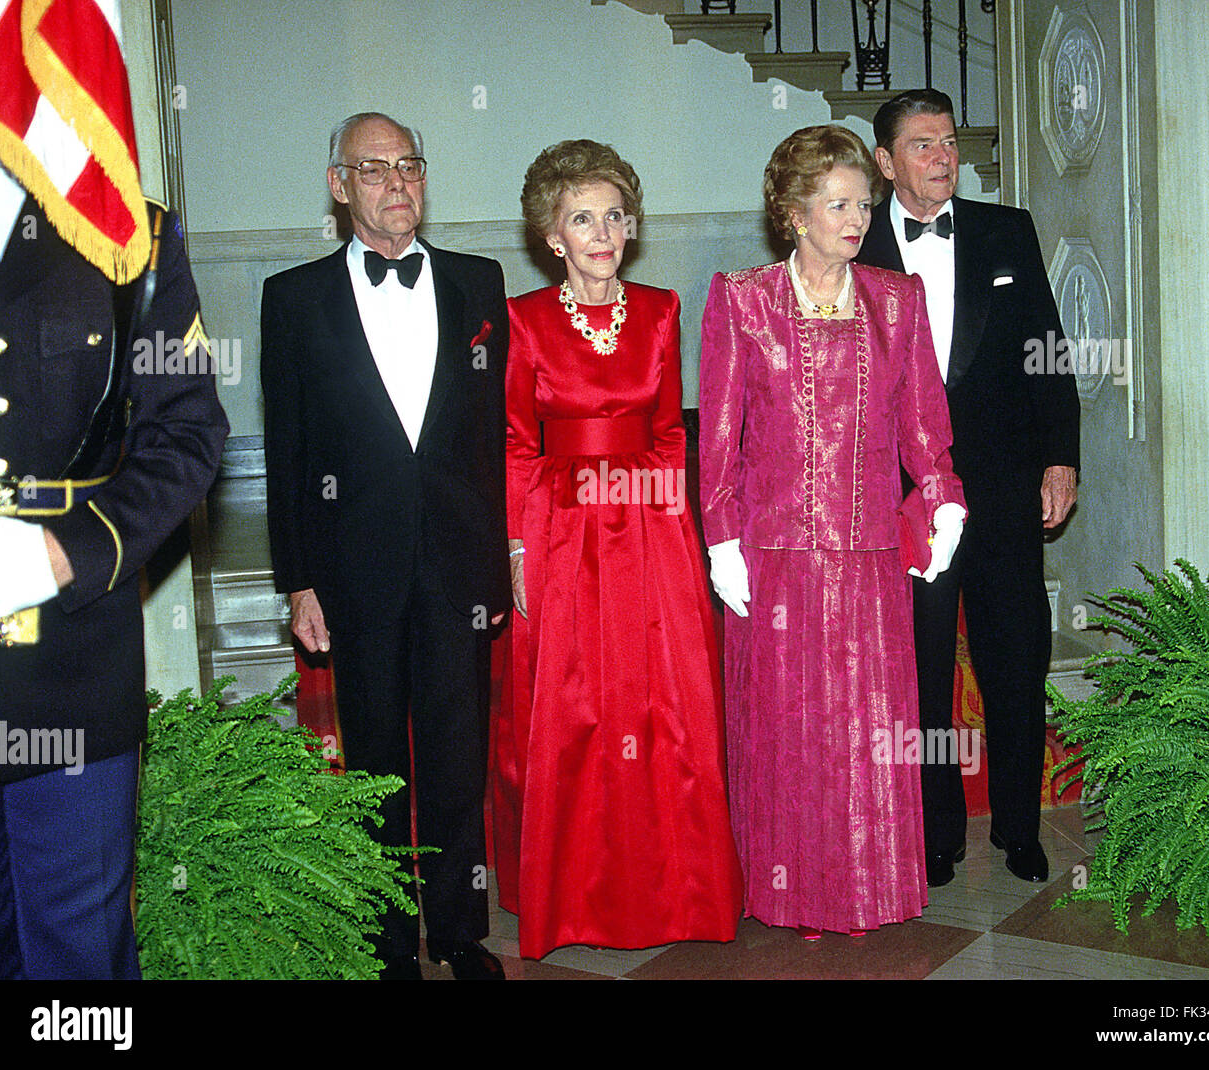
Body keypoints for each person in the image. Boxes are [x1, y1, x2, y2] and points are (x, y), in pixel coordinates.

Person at [0, 84, 229, 976]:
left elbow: (189, 433)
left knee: (79, 955)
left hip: (72, 661)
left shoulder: (131, 232)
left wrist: (69, 549)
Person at [699, 124, 966, 937]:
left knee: (868, 738)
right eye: (838, 203)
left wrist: (945, 496)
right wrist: (721, 538)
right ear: (794, 212)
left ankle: (869, 890)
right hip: (773, 560)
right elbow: (719, 436)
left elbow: (924, 425)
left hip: (872, 560)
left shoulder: (898, 298)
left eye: (864, 202)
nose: (856, 218)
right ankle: (787, 893)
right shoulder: (742, 299)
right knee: (789, 738)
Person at [260, 112, 510, 980]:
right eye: (374, 170)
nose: (397, 184)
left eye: (410, 165)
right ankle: (387, 940)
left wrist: (498, 560)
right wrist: (298, 583)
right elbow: (286, 454)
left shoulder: (481, 283)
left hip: (457, 567)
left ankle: (462, 931)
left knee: (455, 758)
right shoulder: (292, 299)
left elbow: (492, 443)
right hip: (351, 573)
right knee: (372, 766)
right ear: (339, 186)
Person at [494, 139, 742, 959]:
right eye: (581, 219)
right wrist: (523, 546)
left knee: (662, 707)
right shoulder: (524, 321)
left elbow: (674, 431)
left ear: (629, 227)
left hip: (649, 531)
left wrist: (671, 529)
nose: (601, 233)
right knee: (574, 710)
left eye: (613, 217)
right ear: (552, 236)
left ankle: (680, 895)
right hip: (563, 533)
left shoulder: (664, 308)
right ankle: (573, 902)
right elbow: (514, 444)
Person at [857, 89, 1081, 886]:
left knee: (1016, 655)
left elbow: (1046, 349)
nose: (944, 156)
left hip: (1003, 482)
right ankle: (936, 834)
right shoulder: (853, 246)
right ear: (885, 163)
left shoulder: (1004, 229)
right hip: (902, 495)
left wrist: (1060, 455)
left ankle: (1020, 827)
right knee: (919, 668)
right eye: (922, 145)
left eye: (948, 141)